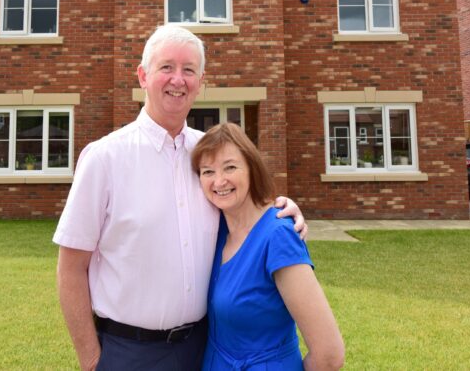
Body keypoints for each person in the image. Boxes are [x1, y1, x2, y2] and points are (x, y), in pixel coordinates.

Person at [54, 26, 307, 371]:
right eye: (166, 67)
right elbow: (71, 266)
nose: (178, 79)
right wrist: (92, 360)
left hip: (203, 349)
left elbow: (248, 214)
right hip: (128, 352)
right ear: (143, 76)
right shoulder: (104, 158)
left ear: (200, 82)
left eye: (189, 70)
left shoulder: (210, 157)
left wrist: (282, 209)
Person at [192, 122, 345, 370]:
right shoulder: (215, 230)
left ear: (252, 169)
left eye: (230, 167)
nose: (219, 181)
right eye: (207, 171)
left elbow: (329, 355)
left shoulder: (278, 236)